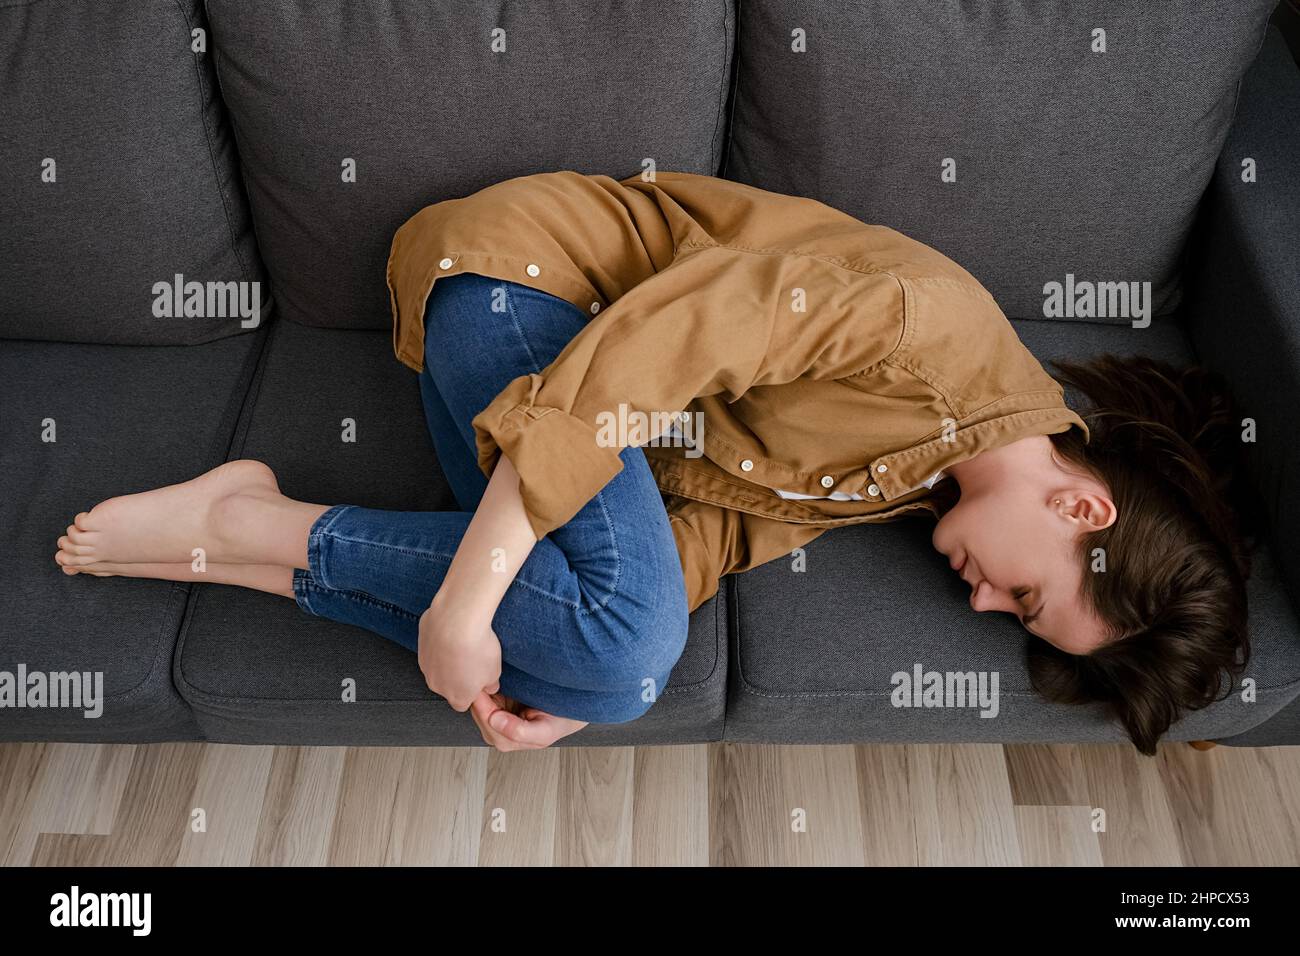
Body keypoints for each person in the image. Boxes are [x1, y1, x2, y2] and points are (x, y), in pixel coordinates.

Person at [53, 171, 1260, 755]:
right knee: (624, 645)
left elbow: (718, 531)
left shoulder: (922, 478)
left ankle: (255, 538)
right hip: (527, 295)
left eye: (1005, 620)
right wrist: (473, 602)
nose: (982, 602)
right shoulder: (922, 326)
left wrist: (577, 681)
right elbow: (644, 354)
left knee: (617, 670)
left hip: (547, 390)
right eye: (1026, 593)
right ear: (1081, 501)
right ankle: (265, 529)